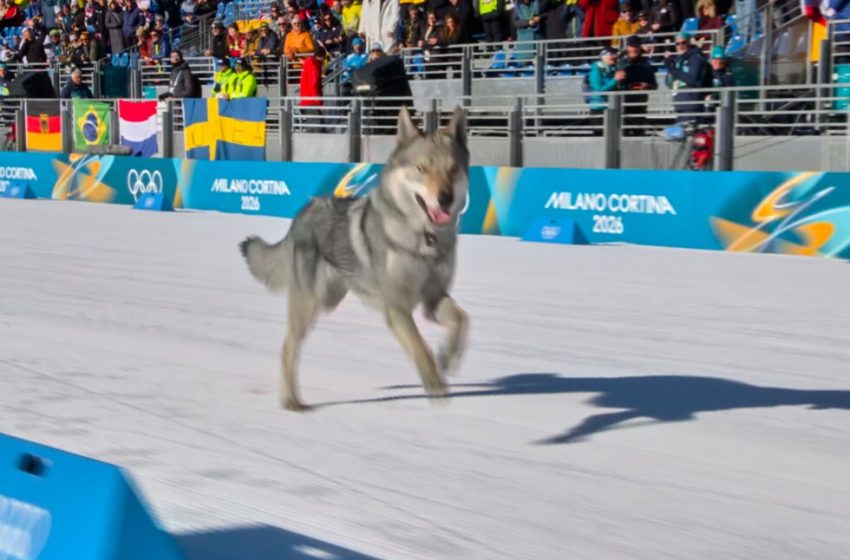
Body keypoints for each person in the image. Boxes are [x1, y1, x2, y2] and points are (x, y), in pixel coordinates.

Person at [664, 32, 710, 124]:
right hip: (680, 104)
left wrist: (672, 70)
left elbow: (692, 79)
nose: (680, 46)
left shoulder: (696, 58)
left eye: (683, 43)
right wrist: (670, 66)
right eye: (677, 43)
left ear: (689, 43)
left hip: (691, 103)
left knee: (690, 135)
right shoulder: (678, 60)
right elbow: (669, 82)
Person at [618, 34, 656, 134]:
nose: (633, 49)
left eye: (636, 46)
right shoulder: (620, 63)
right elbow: (614, 83)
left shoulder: (646, 64)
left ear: (639, 47)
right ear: (627, 47)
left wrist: (647, 86)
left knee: (638, 133)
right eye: (631, 46)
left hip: (639, 105)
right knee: (623, 134)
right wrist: (626, 86)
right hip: (623, 104)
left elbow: (654, 84)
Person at [585, 46, 620, 112]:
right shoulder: (596, 70)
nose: (615, 56)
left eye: (615, 53)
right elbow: (599, 90)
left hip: (611, 107)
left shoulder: (613, 70)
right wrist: (615, 80)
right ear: (604, 56)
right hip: (599, 108)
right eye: (611, 54)